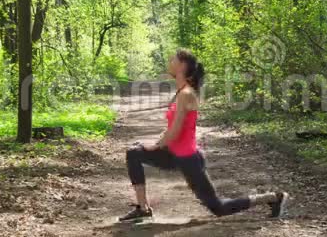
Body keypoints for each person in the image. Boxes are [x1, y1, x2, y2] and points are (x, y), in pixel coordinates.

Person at [118, 49, 289, 221]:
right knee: (134, 153)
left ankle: (273, 198)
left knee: (218, 208)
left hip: (188, 158)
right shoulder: (181, 91)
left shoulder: (186, 94)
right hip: (173, 154)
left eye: (173, 59)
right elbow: (172, 127)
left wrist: (155, 145)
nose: (169, 61)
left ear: (182, 65)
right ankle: (143, 208)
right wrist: (155, 143)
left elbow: (175, 131)